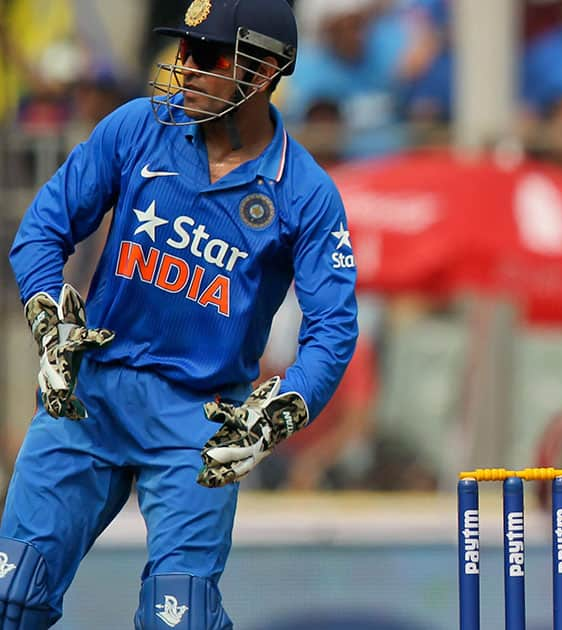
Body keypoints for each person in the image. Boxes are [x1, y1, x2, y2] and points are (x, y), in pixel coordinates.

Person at [1, 0, 358, 627]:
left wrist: (279, 412)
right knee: (11, 594)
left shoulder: (304, 191)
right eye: (183, 51)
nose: (185, 67)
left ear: (265, 70)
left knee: (179, 619)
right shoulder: (138, 127)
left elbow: (333, 330)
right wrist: (47, 315)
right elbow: (42, 230)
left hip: (198, 422)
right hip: (89, 395)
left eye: (208, 56)